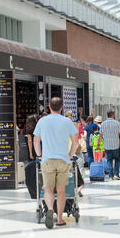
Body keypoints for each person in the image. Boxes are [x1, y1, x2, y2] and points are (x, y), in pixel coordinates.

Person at [33, 97, 79, 229]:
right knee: (61, 190)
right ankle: (59, 219)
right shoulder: (67, 122)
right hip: (63, 160)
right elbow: (75, 142)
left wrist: (40, 155)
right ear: (61, 107)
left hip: (47, 160)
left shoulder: (42, 121)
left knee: (48, 189)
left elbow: (36, 141)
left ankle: (50, 210)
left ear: (49, 106)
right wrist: (69, 156)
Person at [97, 109, 120, 180]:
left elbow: (100, 135)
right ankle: (116, 174)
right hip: (115, 145)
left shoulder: (103, 124)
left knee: (109, 160)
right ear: (113, 115)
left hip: (107, 145)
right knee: (117, 160)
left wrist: (98, 145)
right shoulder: (117, 123)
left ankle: (110, 176)